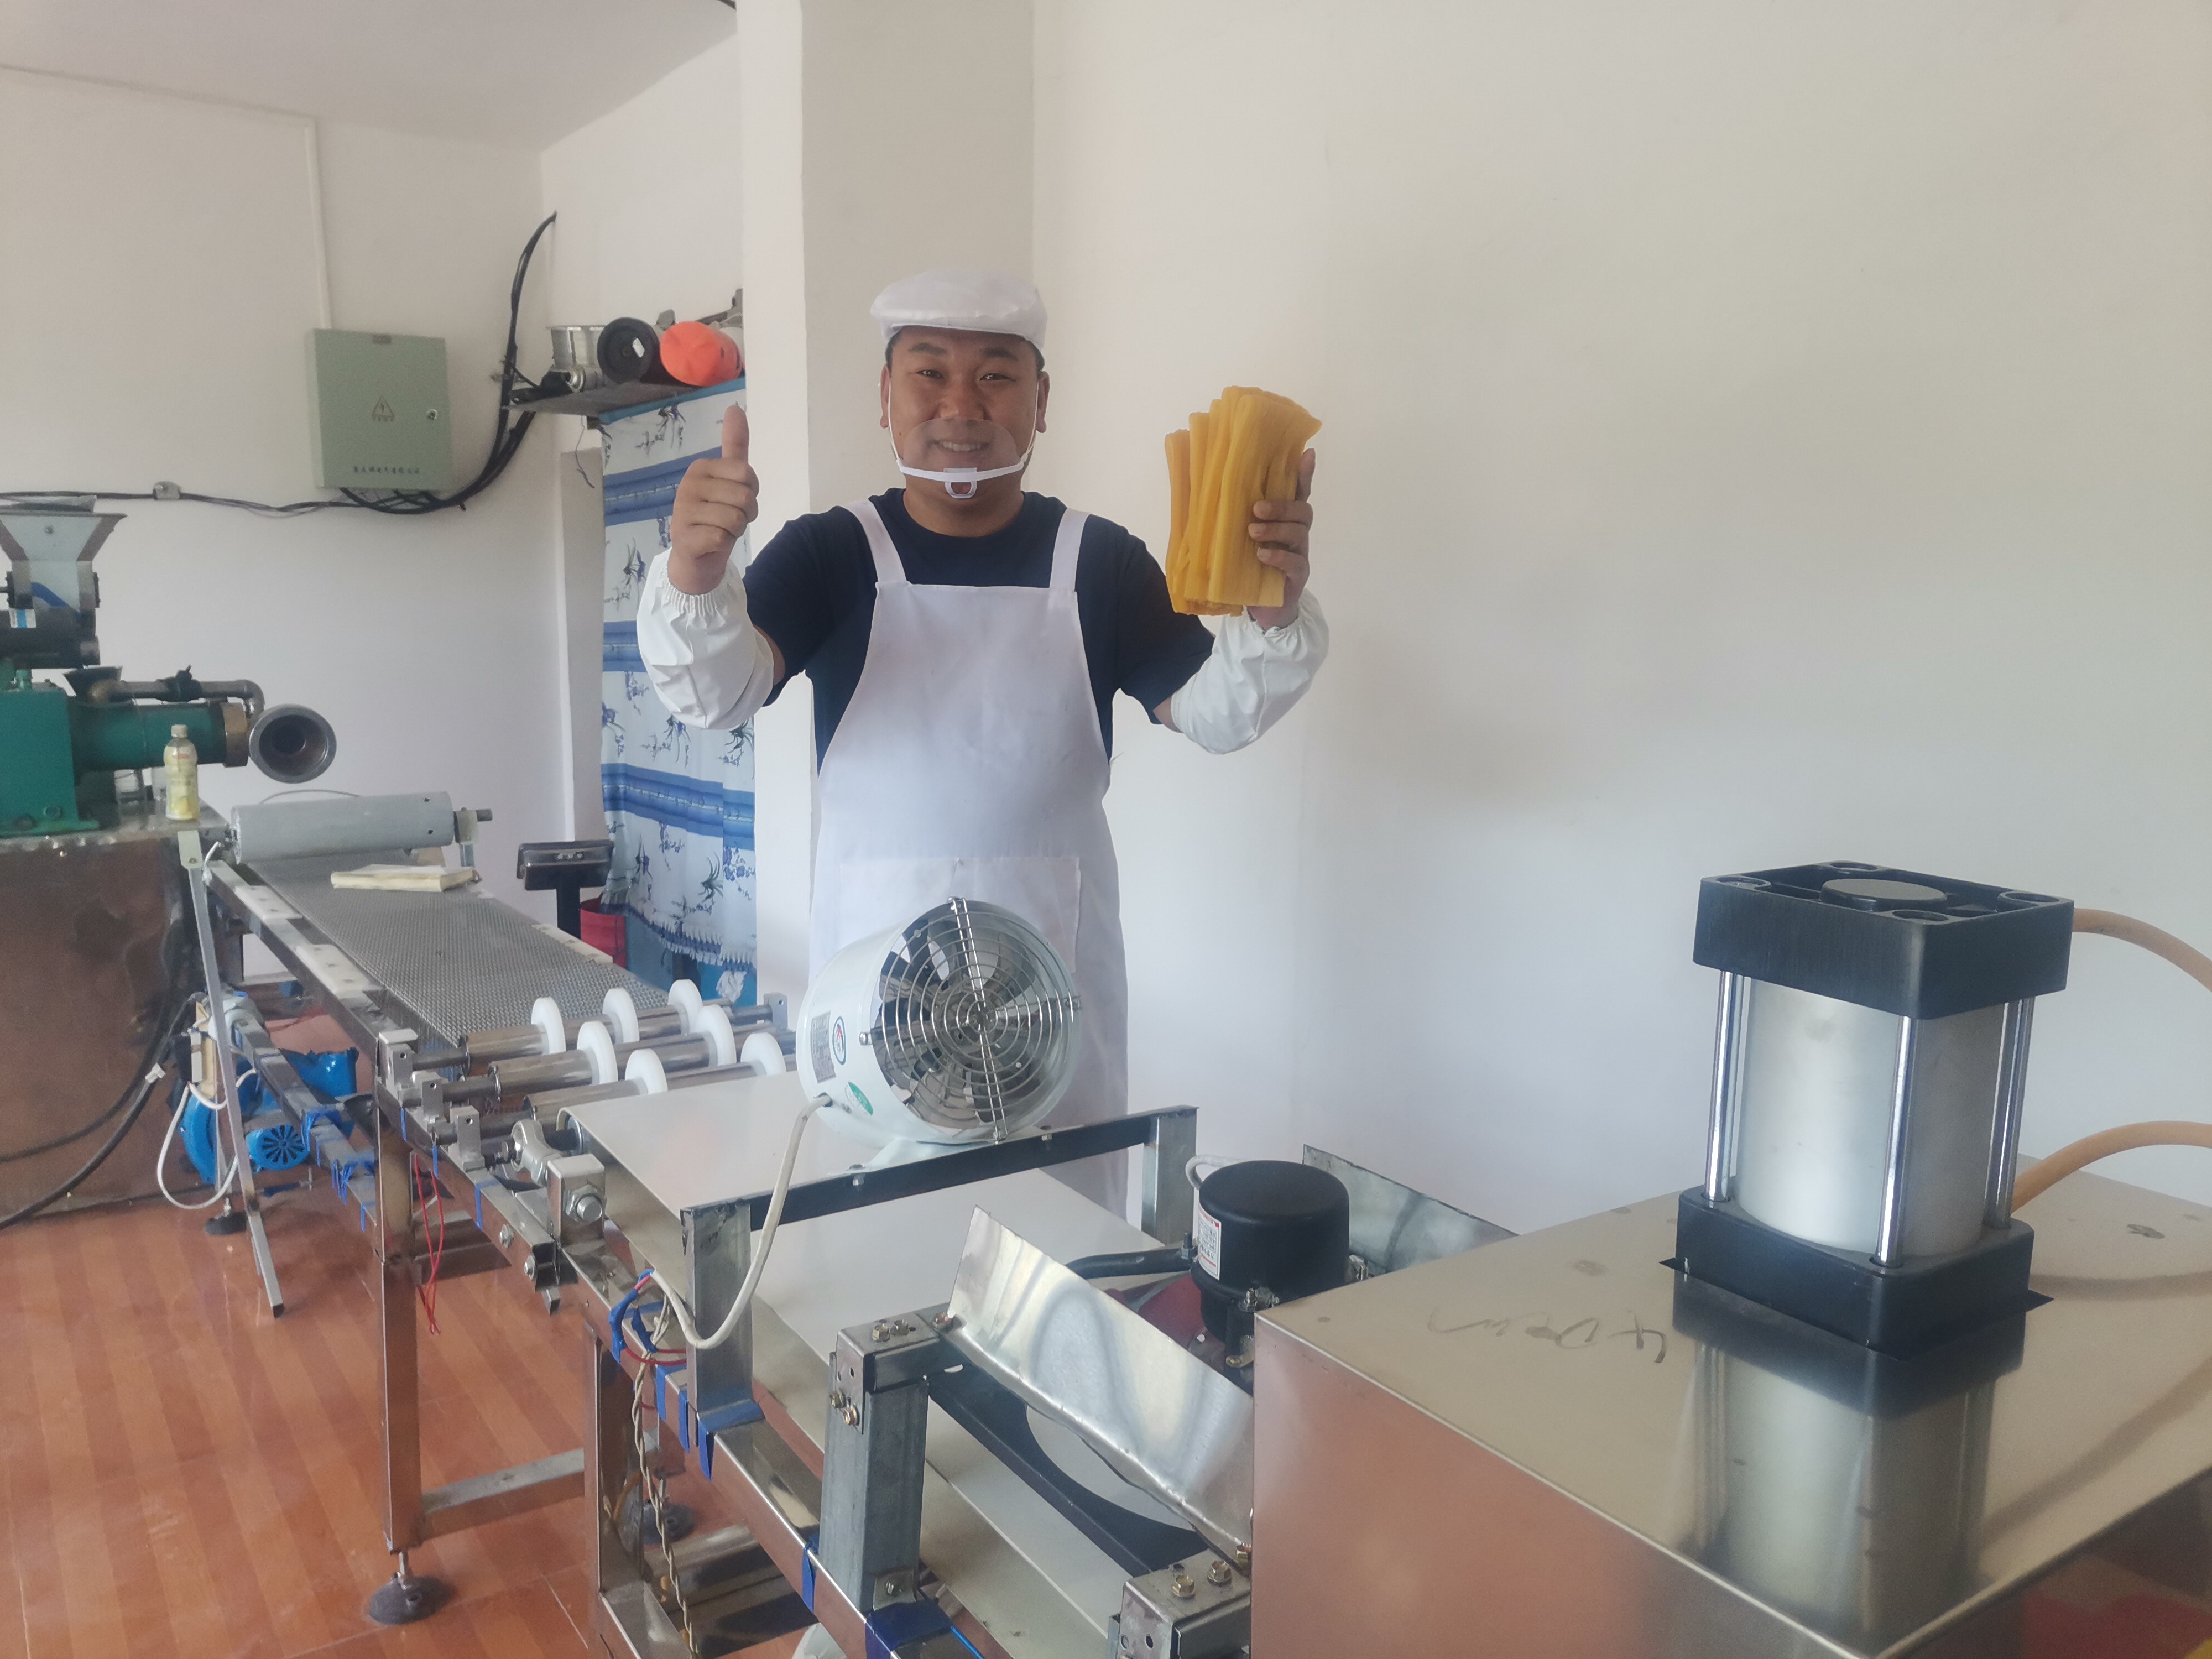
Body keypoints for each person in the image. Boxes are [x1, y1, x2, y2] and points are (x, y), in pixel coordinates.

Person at [635, 269, 1328, 1209]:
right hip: (875, 1017)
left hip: (1053, 1013)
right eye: (929, 373)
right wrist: (694, 574)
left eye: (997, 376)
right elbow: (719, 693)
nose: (961, 406)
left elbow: (1217, 711)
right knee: (878, 1251)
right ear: (886, 397)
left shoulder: (1100, 562)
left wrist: (1274, 613)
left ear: (1041, 402)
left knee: (1063, 1252)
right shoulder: (833, 553)